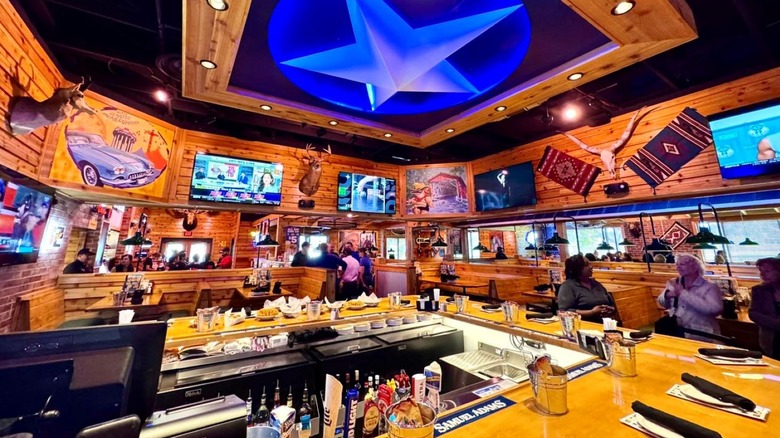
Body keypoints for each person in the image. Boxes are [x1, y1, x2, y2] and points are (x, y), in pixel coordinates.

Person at [657, 253, 723, 341]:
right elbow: (663, 303)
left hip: (701, 334)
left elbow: (714, 310)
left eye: (682, 264)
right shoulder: (674, 282)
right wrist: (667, 295)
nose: (678, 267)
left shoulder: (710, 287)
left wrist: (683, 293)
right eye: (677, 264)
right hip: (675, 331)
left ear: (695, 267)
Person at [557, 254, 618, 324]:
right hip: (583, 325)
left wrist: (611, 309)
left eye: (590, 264)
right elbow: (565, 312)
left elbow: (611, 303)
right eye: (586, 265)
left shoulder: (596, 284)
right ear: (577, 268)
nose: (591, 267)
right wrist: (592, 312)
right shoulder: (567, 286)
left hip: (605, 324)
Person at [748, 257, 780, 359]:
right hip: (771, 340)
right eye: (761, 271)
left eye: (767, 271)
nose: (762, 274)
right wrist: (776, 323)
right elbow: (753, 313)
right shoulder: (759, 290)